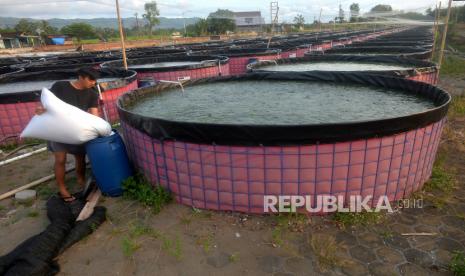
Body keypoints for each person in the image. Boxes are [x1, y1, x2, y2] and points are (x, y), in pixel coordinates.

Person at [35, 67, 100, 202]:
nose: (94, 83)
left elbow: (94, 114)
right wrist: (41, 110)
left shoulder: (92, 94)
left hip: (76, 130)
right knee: (60, 160)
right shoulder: (60, 86)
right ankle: (62, 188)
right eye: (91, 79)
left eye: (95, 80)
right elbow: (47, 104)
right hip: (57, 129)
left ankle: (81, 179)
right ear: (81, 77)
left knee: (80, 157)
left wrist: (98, 127)